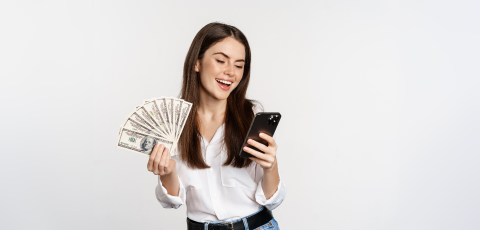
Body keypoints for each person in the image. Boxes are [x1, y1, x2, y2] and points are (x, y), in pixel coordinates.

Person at [147, 22, 286, 230]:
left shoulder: (251, 116)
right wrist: (166, 172)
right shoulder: (173, 123)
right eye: (221, 60)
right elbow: (170, 202)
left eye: (239, 65)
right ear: (197, 63)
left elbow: (272, 199)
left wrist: (271, 167)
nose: (230, 72)